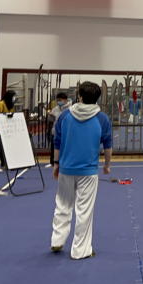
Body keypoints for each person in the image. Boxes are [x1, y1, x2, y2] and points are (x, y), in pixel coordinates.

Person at [51, 82, 113, 260]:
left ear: (80, 96)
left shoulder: (65, 115)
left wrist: (56, 164)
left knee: (63, 204)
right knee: (84, 210)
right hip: (88, 171)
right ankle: (80, 250)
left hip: (66, 168)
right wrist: (107, 165)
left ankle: (57, 240)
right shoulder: (102, 119)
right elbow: (107, 145)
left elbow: (57, 141)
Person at [0, 90, 16, 172]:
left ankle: (4, 164)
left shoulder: (11, 106)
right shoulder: (1, 104)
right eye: (13, 97)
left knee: (5, 147)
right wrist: (4, 116)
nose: (14, 98)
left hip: (8, 129)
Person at [46, 92, 72, 168]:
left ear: (65, 100)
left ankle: (66, 162)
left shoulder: (71, 109)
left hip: (66, 131)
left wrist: (60, 118)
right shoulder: (55, 108)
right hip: (55, 131)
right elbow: (51, 120)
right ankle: (52, 162)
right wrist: (50, 115)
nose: (58, 102)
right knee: (54, 146)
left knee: (66, 147)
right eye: (57, 100)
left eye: (60, 100)